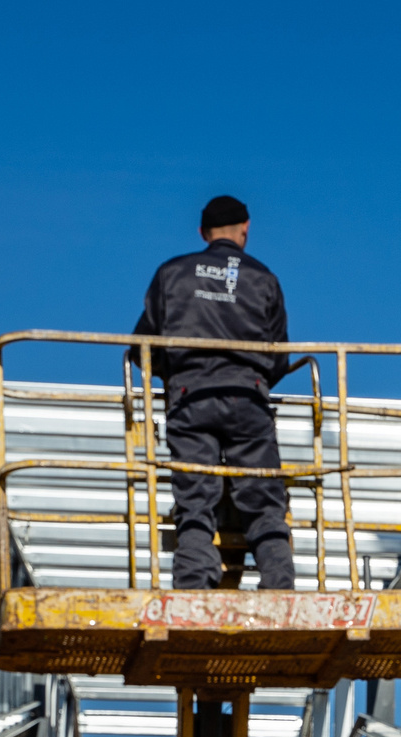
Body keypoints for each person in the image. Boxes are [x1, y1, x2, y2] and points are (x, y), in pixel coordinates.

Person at [132, 194, 297, 591]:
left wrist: (181, 378)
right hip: (248, 399)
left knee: (195, 498)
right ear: (246, 229)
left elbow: (143, 348)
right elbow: (279, 357)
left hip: (190, 397)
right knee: (262, 499)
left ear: (203, 232)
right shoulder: (263, 278)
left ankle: (193, 585)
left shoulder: (172, 273)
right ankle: (278, 584)